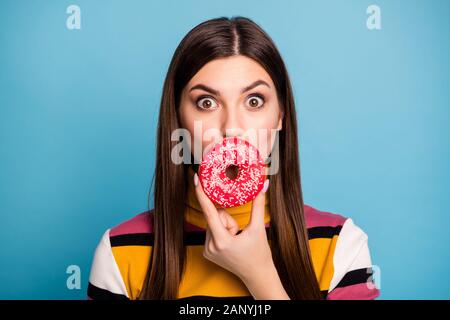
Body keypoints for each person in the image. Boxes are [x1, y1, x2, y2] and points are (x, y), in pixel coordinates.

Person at [87, 16, 380, 300]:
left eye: (254, 101)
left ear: (280, 117)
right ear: (178, 120)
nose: (231, 128)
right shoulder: (120, 251)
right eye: (206, 102)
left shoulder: (339, 245)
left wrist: (260, 276)